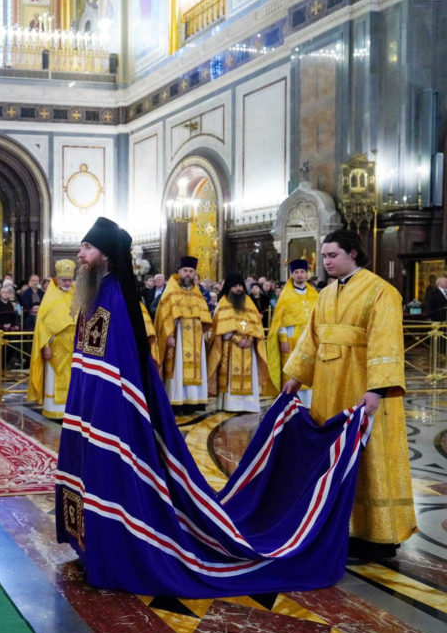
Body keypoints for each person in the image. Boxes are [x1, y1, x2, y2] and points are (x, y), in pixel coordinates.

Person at [55, 216, 373, 596]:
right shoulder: (97, 293)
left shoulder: (115, 298)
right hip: (91, 411)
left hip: (111, 413)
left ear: (105, 254)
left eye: (87, 247)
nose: (80, 254)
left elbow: (118, 369)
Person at [284, 228, 414, 561]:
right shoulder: (325, 294)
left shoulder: (380, 291)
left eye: (332, 255)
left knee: (369, 456)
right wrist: (297, 376)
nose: (325, 262)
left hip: (362, 386)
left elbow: (386, 341)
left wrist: (376, 389)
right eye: (324, 256)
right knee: (335, 455)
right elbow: (313, 339)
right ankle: (344, 527)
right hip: (329, 388)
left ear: (352, 253)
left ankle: (378, 537)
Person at [207, 274, 275, 413]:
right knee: (231, 374)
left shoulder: (249, 302)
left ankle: (248, 404)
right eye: (235, 286)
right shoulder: (223, 303)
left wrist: (250, 339)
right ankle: (231, 405)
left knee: (248, 374)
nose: (238, 289)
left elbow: (256, 324)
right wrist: (237, 339)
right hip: (230, 345)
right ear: (229, 288)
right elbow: (219, 327)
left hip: (248, 346)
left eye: (240, 286)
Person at [153, 256, 212, 411]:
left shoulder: (197, 293)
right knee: (178, 369)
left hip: (196, 337)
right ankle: (177, 401)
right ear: (179, 272)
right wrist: (169, 336)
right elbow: (164, 316)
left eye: (191, 271)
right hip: (178, 337)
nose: (188, 274)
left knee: (196, 369)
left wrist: (203, 329)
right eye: (185, 271)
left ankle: (195, 400)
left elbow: (205, 316)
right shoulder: (170, 292)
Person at [27, 260, 77, 419]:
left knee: (73, 377)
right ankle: (54, 410)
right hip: (55, 346)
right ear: (58, 278)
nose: (68, 283)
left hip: (74, 346)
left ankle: (71, 410)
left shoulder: (76, 293)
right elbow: (42, 324)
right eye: (64, 280)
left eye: (70, 280)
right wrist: (45, 346)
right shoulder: (51, 295)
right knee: (54, 378)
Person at [266, 259, 319, 406]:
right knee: (292, 369)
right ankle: (291, 404)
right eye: (296, 272)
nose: (300, 275)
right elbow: (280, 321)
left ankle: (309, 404)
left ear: (307, 274)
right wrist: (283, 340)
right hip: (291, 338)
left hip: (311, 338)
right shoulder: (286, 295)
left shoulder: (314, 294)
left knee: (310, 367)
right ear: (292, 275)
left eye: (302, 272)